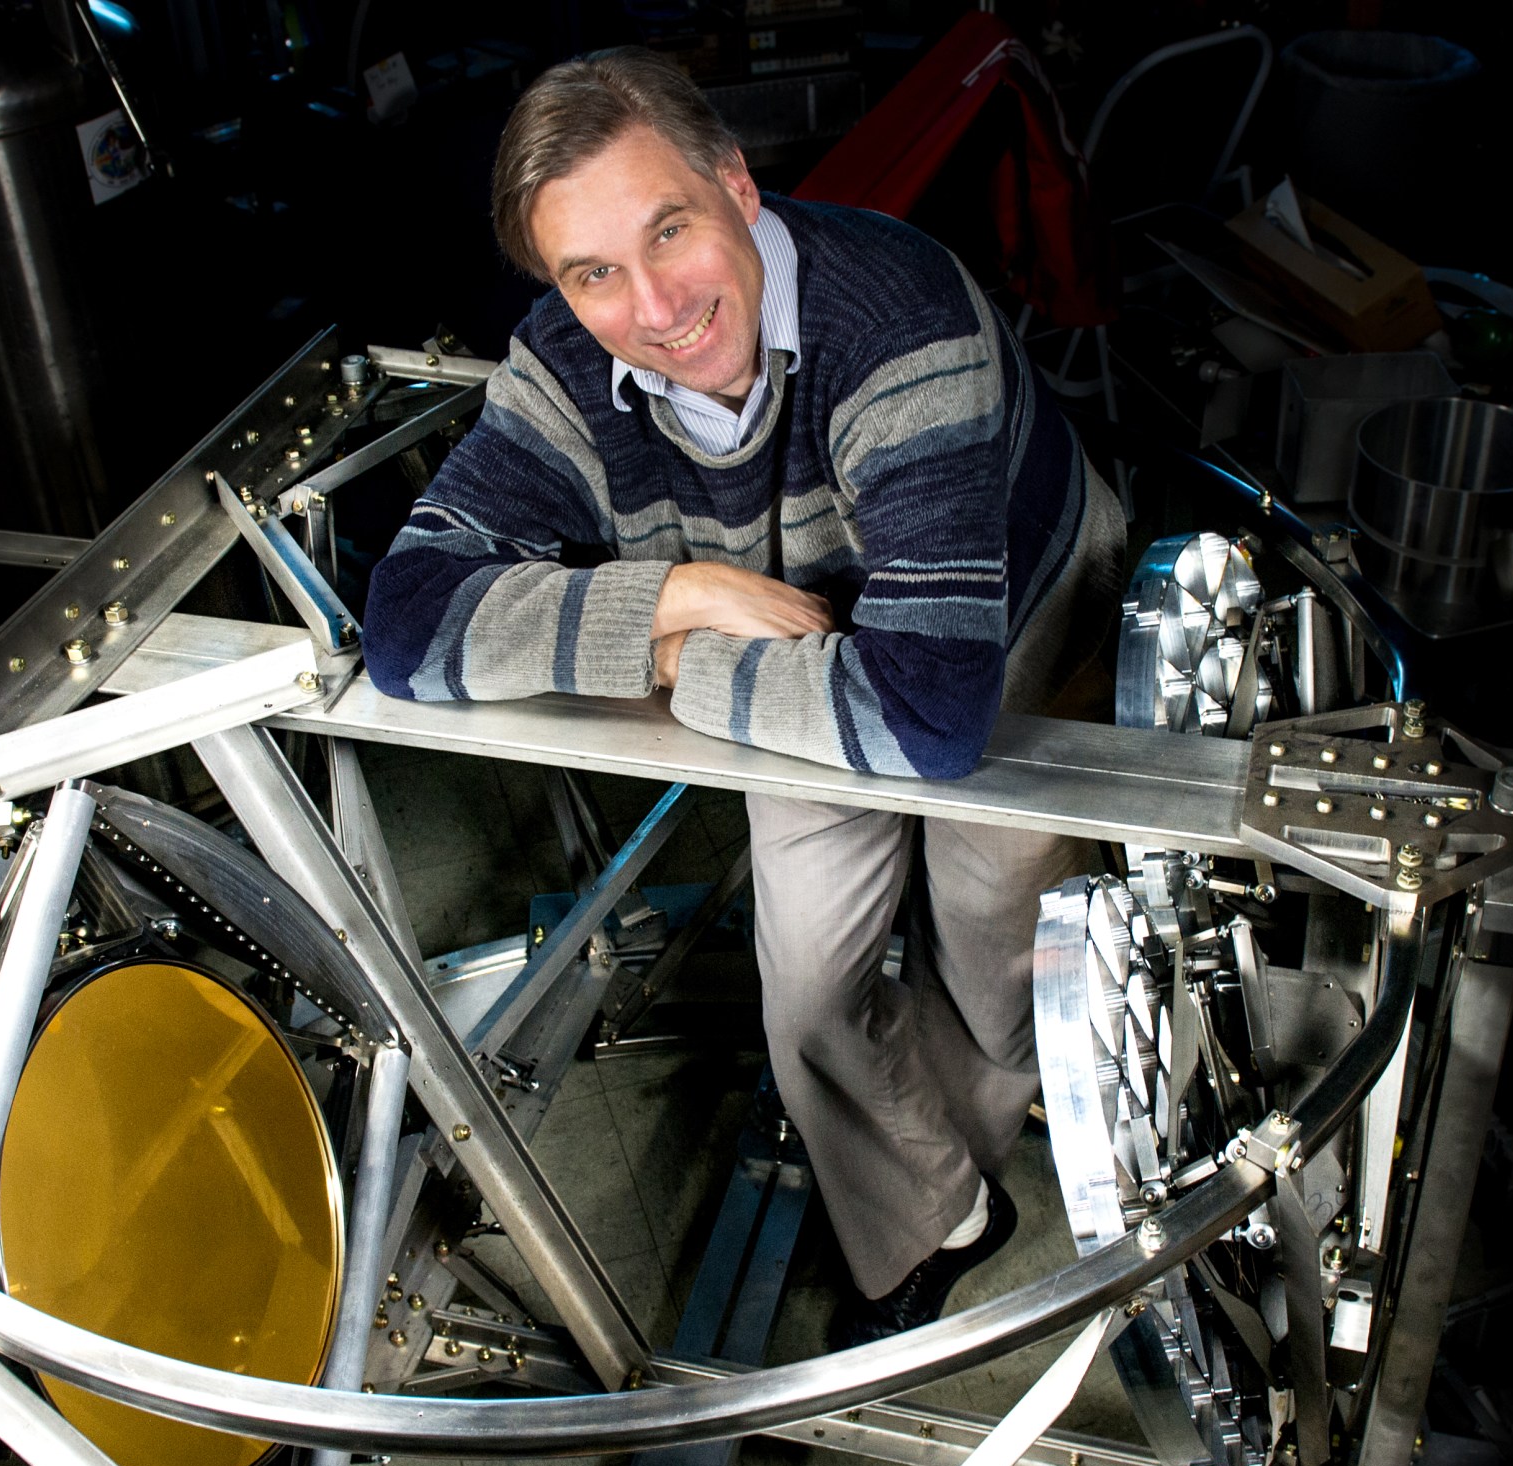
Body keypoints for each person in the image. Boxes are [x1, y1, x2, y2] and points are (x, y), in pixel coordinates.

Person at [362, 49, 1124, 1345]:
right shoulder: (563, 365)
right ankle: (941, 1209)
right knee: (810, 990)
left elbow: (931, 714)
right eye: (592, 272)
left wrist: (680, 665)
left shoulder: (897, 325)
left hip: (1012, 612)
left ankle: (969, 1104)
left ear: (733, 182)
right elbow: (407, 624)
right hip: (787, 635)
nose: (654, 306)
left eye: (670, 231)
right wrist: (676, 605)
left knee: (1001, 946)